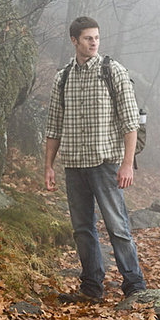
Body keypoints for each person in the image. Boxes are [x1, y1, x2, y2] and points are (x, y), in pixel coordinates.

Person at [44, 16, 146, 303]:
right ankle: (91, 287)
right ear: (74, 40)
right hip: (74, 166)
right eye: (88, 38)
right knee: (82, 229)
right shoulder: (62, 77)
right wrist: (49, 166)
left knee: (117, 225)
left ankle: (135, 285)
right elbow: (54, 126)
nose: (94, 42)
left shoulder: (112, 71)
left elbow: (130, 122)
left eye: (97, 37)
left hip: (105, 164)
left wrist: (127, 163)